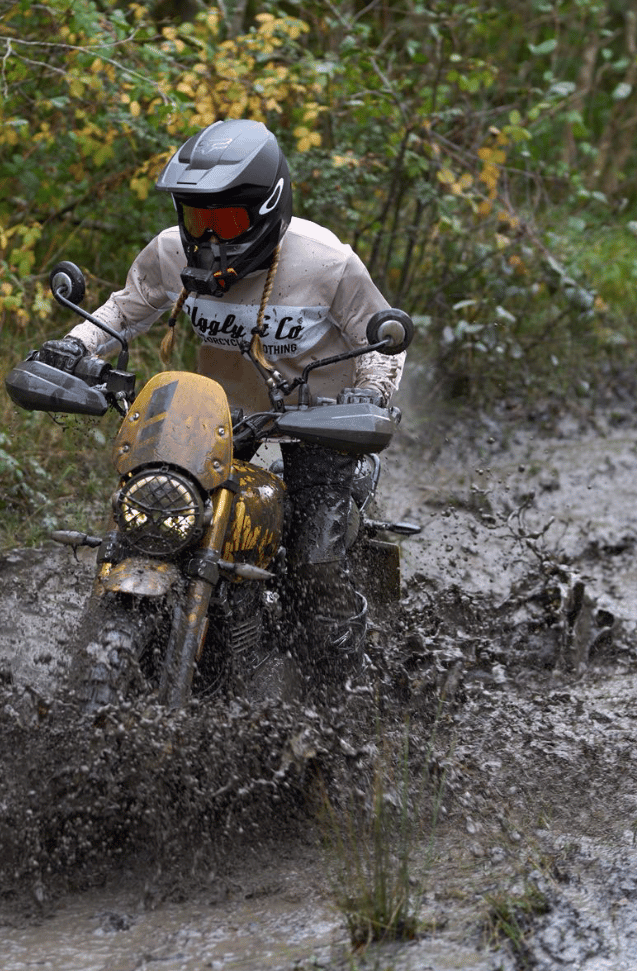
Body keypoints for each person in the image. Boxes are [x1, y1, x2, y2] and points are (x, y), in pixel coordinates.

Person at [35, 119, 406, 673]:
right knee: (155, 521)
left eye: (226, 219)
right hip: (221, 420)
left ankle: (341, 690)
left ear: (266, 208)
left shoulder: (325, 261)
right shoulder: (170, 254)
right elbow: (122, 311)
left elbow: (384, 338)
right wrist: (70, 346)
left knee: (313, 562)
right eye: (197, 218)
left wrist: (371, 392)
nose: (208, 237)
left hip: (321, 423)